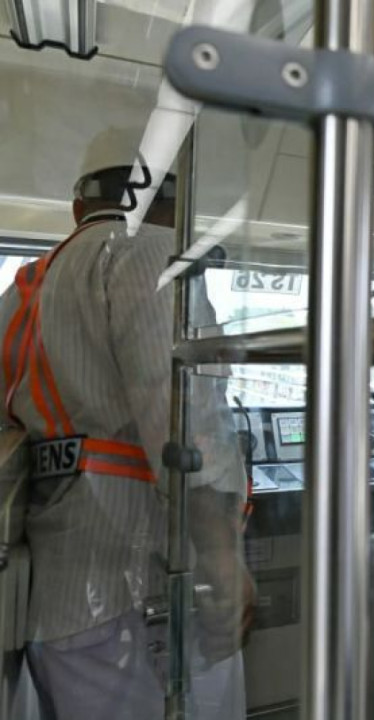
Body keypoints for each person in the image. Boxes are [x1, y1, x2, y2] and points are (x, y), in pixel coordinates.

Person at [0, 128, 253, 720]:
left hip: (58, 610)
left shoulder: (22, 292)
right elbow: (187, 428)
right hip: (144, 598)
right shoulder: (151, 252)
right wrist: (222, 559)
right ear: (168, 204)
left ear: (77, 207)